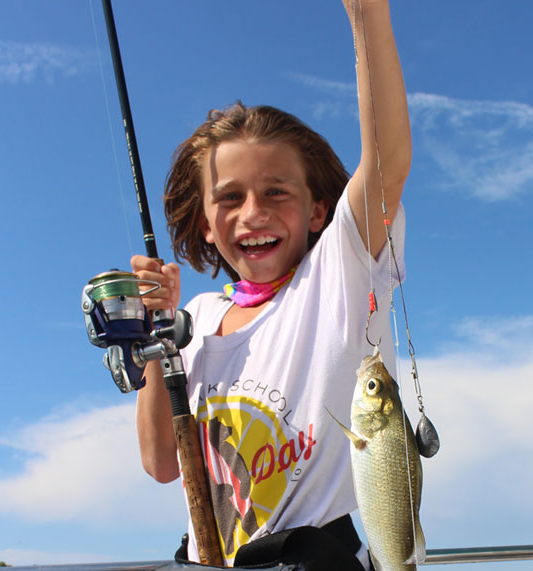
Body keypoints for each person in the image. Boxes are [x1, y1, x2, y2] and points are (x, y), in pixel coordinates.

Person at [131, 1, 410, 568]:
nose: (252, 213)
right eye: (229, 197)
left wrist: (366, 17)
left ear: (317, 212)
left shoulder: (338, 277)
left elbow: (387, 161)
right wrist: (156, 340)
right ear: (206, 223)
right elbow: (162, 462)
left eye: (277, 191)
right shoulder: (197, 320)